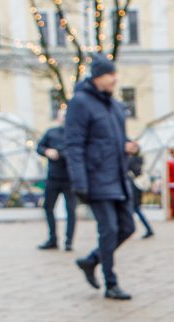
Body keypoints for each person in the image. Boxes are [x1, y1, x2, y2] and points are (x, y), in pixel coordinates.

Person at [65, 53, 136, 300]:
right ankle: (111, 283)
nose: (114, 79)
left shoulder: (115, 107)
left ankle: (91, 260)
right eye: (110, 74)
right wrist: (80, 182)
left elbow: (115, 140)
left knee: (127, 227)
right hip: (96, 178)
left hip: (118, 176)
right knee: (108, 230)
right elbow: (73, 145)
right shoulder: (80, 103)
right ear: (97, 76)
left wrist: (128, 147)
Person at [36, 108, 77, 251]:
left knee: (70, 210)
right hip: (53, 178)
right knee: (48, 207)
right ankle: (52, 238)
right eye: (62, 116)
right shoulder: (51, 132)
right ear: (58, 118)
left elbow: (76, 152)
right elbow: (39, 147)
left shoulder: (75, 133)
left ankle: (69, 241)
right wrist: (46, 151)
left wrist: (59, 152)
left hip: (69, 179)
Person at [126, 143, 155, 238]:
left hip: (135, 187)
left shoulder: (136, 159)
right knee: (135, 209)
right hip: (134, 187)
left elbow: (136, 171)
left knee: (134, 209)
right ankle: (147, 229)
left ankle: (129, 229)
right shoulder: (132, 158)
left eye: (134, 147)